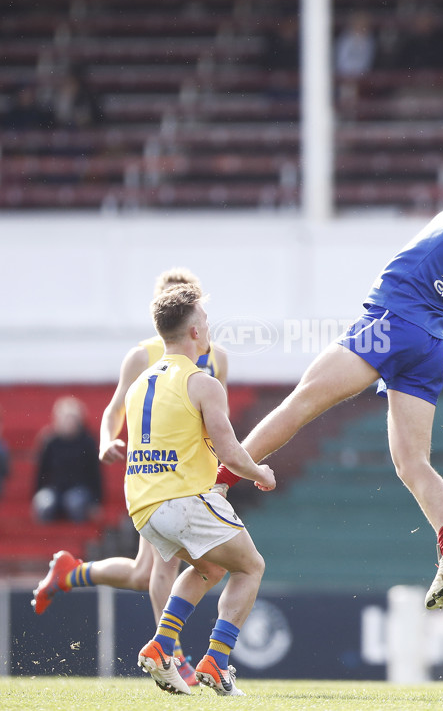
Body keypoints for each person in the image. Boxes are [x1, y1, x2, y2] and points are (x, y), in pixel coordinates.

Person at [215, 46, 443, 610]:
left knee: (301, 401)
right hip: (429, 343)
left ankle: (218, 488)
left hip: (392, 323)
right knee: (411, 462)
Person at [31, 267, 228, 688]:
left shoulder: (216, 356)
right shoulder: (143, 355)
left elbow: (217, 422)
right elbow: (114, 409)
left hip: (190, 474)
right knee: (170, 563)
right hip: (159, 475)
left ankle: (71, 572)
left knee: (144, 573)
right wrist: (106, 439)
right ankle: (172, 655)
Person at [130, 283, 275, 695]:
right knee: (251, 567)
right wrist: (260, 473)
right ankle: (218, 660)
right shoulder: (203, 383)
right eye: (206, 321)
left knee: (208, 567)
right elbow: (229, 451)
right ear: (195, 332)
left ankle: (161, 647)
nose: (209, 327)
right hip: (183, 499)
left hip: (143, 508)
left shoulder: (140, 382)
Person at [31, 396, 102, 523]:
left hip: (80, 490)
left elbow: (95, 474)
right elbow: (41, 473)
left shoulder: (87, 442)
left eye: (72, 418)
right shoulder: (49, 441)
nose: (68, 422)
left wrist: (97, 502)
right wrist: (35, 497)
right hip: (54, 489)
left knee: (74, 504)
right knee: (44, 505)